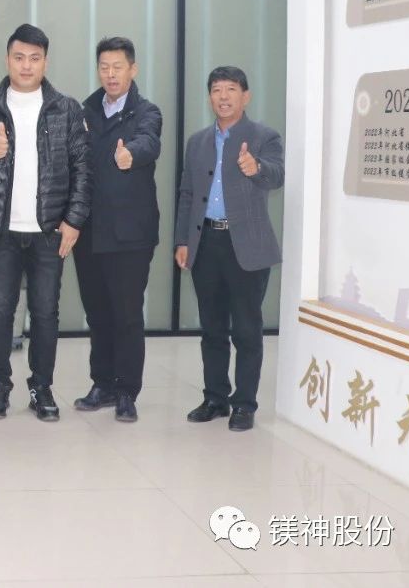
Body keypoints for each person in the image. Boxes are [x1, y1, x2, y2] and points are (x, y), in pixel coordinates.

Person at [0, 24, 91, 422]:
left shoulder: (66, 108)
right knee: (0, 310)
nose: (26, 66)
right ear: (7, 59)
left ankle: (42, 387)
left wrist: (74, 220)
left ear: (45, 62)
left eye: (34, 59)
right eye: (19, 57)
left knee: (46, 311)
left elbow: (82, 168)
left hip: (49, 230)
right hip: (1, 228)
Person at [174, 66, 284, 432]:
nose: (223, 96)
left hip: (246, 247)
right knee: (212, 328)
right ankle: (215, 398)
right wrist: (183, 240)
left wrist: (256, 167)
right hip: (206, 243)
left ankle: (245, 404)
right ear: (210, 97)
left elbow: (277, 174)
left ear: (245, 96)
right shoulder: (197, 142)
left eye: (231, 89)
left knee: (247, 330)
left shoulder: (264, 137)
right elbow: (187, 194)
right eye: (217, 90)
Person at [72, 37, 162, 423]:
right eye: (104, 67)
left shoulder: (146, 111)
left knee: (126, 314)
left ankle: (127, 390)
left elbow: (149, 142)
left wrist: (131, 154)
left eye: (118, 67)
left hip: (130, 233)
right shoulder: (85, 111)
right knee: (97, 313)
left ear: (132, 69)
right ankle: (103, 383)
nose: (110, 74)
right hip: (90, 231)